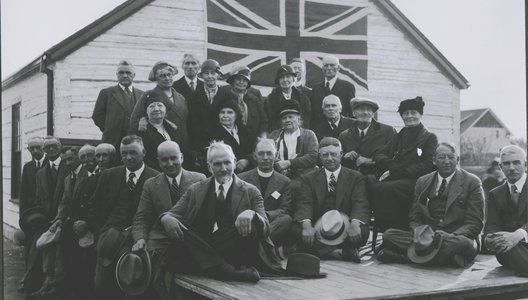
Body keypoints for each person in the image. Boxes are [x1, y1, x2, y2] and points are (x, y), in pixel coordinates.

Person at [159, 142, 283, 283]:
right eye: (217, 164)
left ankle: (206, 266)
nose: (223, 169)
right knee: (180, 223)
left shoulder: (251, 191)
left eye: (227, 163)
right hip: (204, 244)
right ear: (209, 166)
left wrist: (252, 214)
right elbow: (173, 213)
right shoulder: (195, 189)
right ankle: (228, 272)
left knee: (252, 224)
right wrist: (166, 218)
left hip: (235, 248)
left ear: (234, 162)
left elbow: (266, 229)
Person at [378, 142, 484, 268]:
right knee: (389, 235)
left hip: (455, 237)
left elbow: (475, 224)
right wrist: (419, 234)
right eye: (441, 157)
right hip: (428, 237)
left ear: (457, 160)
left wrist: (452, 235)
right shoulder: (423, 182)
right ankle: (447, 259)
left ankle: (406, 257)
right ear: (434, 161)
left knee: (463, 244)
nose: (446, 161)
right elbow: (415, 216)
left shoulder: (472, 182)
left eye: (451, 157)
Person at [131, 141, 205, 297]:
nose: (170, 163)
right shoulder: (151, 185)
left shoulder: (200, 179)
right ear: (158, 161)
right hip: (160, 239)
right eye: (164, 160)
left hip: (190, 238)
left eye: (174, 158)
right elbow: (142, 217)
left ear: (182, 157)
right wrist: (140, 238)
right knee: (150, 273)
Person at [89, 135, 158, 299]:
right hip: (109, 237)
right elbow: (95, 206)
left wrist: (141, 236)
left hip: (138, 240)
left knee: (131, 284)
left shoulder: (155, 178)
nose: (128, 157)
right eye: (124, 153)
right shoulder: (109, 175)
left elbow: (156, 213)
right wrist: (102, 231)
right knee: (101, 284)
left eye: (133, 152)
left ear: (144, 152)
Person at [292, 137, 370, 262]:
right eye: (325, 155)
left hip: (344, 226)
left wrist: (355, 223)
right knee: (297, 230)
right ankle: (337, 252)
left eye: (333, 154)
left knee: (363, 231)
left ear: (341, 154)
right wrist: (307, 226)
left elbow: (360, 202)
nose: (329, 158)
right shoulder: (309, 179)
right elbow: (304, 203)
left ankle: (319, 250)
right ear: (320, 157)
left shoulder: (356, 177)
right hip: (319, 228)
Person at [369, 96, 438, 231]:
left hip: (417, 181)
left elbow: (427, 165)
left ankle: (395, 228)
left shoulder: (429, 137)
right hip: (398, 177)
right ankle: (383, 226)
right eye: (406, 113)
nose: (409, 116)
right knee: (369, 182)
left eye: (413, 113)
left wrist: (401, 171)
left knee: (387, 188)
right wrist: (390, 164)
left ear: (420, 115)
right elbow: (378, 154)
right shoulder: (400, 135)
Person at [30, 137, 70, 297]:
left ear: (60, 148)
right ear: (44, 151)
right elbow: (39, 198)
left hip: (66, 217)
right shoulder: (40, 173)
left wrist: (60, 219)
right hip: (48, 219)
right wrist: (43, 218)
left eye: (54, 146)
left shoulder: (68, 166)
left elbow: (70, 197)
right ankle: (47, 281)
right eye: (48, 147)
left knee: (59, 243)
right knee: (42, 242)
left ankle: (57, 283)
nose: (51, 149)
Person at [239, 139, 293, 247]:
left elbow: (284, 209)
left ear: (276, 155)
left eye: (269, 153)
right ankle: (265, 247)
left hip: (271, 222)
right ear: (255, 156)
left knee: (286, 219)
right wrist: (253, 217)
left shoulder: (284, 181)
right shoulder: (241, 178)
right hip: (249, 223)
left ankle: (257, 244)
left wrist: (263, 216)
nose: (265, 158)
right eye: (261, 154)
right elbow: (239, 206)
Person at [484, 145, 528, 276]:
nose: (512, 168)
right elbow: (492, 225)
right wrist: (490, 239)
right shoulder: (495, 194)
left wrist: (519, 234)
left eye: (516, 162)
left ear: (525, 164)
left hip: (517, 245)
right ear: (500, 167)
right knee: (508, 249)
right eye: (507, 164)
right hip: (510, 249)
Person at [130, 61, 189, 151]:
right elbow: (135, 120)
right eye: (162, 76)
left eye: (169, 75)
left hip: (183, 142)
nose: (167, 78)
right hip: (160, 142)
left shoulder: (180, 97)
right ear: (156, 78)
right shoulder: (149, 96)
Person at [92, 60, 144, 159]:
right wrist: (110, 129)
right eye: (121, 73)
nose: (124, 75)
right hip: (112, 141)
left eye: (128, 73)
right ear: (116, 75)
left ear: (134, 75)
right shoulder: (106, 93)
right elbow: (97, 116)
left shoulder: (141, 94)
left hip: (135, 141)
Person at [188, 59, 231, 172]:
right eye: (206, 73)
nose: (210, 76)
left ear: (218, 75)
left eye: (213, 73)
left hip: (223, 143)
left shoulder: (226, 94)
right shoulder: (195, 96)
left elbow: (229, 121)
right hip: (202, 146)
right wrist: (199, 149)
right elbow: (193, 124)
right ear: (202, 76)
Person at [18, 136, 47, 293]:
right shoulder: (28, 167)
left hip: (46, 214)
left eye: (38, 147)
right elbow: (23, 195)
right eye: (31, 148)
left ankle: (43, 280)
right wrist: (23, 218)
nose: (35, 151)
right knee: (29, 246)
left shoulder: (51, 164)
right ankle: (27, 279)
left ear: (43, 147)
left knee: (43, 247)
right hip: (30, 215)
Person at [339, 97, 397, 175]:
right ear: (353, 113)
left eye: (369, 110)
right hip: (351, 178)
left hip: (378, 178)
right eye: (361, 109)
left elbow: (394, 158)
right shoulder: (344, 135)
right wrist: (345, 156)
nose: (365, 112)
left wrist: (370, 160)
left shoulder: (388, 131)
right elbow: (338, 159)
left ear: (373, 114)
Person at [268, 101, 318, 188]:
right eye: (284, 118)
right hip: (278, 176)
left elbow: (312, 156)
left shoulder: (309, 135)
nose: (287, 120)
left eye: (291, 117)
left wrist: (289, 163)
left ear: (299, 119)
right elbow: (268, 153)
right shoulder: (274, 135)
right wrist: (278, 164)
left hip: (303, 178)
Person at [137, 91, 190, 171]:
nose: (156, 109)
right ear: (146, 111)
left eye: (160, 105)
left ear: (165, 110)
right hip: (153, 173)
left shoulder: (173, 128)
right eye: (152, 106)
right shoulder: (139, 130)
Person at [217, 65, 268, 139]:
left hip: (251, 141)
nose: (241, 82)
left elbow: (263, 122)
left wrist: (261, 137)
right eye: (238, 79)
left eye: (245, 80)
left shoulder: (255, 100)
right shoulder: (223, 97)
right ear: (233, 80)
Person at [211, 99, 255, 174]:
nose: (225, 116)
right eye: (222, 112)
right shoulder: (212, 133)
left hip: (247, 173)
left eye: (230, 112)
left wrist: (247, 160)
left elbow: (254, 151)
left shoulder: (245, 131)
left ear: (236, 115)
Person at [310, 55, 355, 128]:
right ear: (322, 68)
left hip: (341, 130)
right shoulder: (316, 88)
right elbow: (313, 113)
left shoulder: (348, 87)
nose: (329, 68)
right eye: (326, 65)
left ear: (338, 68)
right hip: (320, 130)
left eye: (332, 65)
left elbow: (351, 112)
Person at [266, 64, 311, 131]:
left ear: (293, 79)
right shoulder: (271, 99)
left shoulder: (302, 98)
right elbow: (271, 121)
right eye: (281, 77)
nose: (285, 80)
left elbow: (306, 119)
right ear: (278, 81)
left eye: (288, 76)